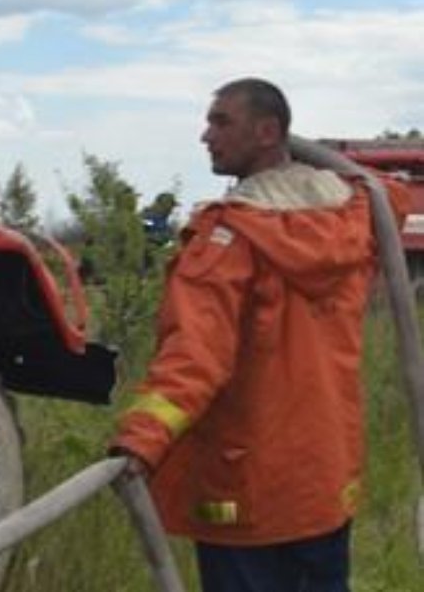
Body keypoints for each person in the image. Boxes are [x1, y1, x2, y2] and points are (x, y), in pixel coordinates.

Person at [110, 77, 407, 592]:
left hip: (247, 491)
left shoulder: (229, 239)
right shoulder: (355, 213)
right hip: (323, 482)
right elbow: (394, 196)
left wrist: (141, 438)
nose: (205, 135)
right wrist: (333, 171)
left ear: (268, 132)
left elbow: (195, 355)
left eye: (221, 122)